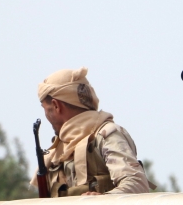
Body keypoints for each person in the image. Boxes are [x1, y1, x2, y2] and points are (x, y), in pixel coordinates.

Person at [34, 67, 151, 196]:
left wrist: (102, 200)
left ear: (56, 106)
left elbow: (137, 184)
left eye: (45, 108)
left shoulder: (105, 136)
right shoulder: (55, 154)